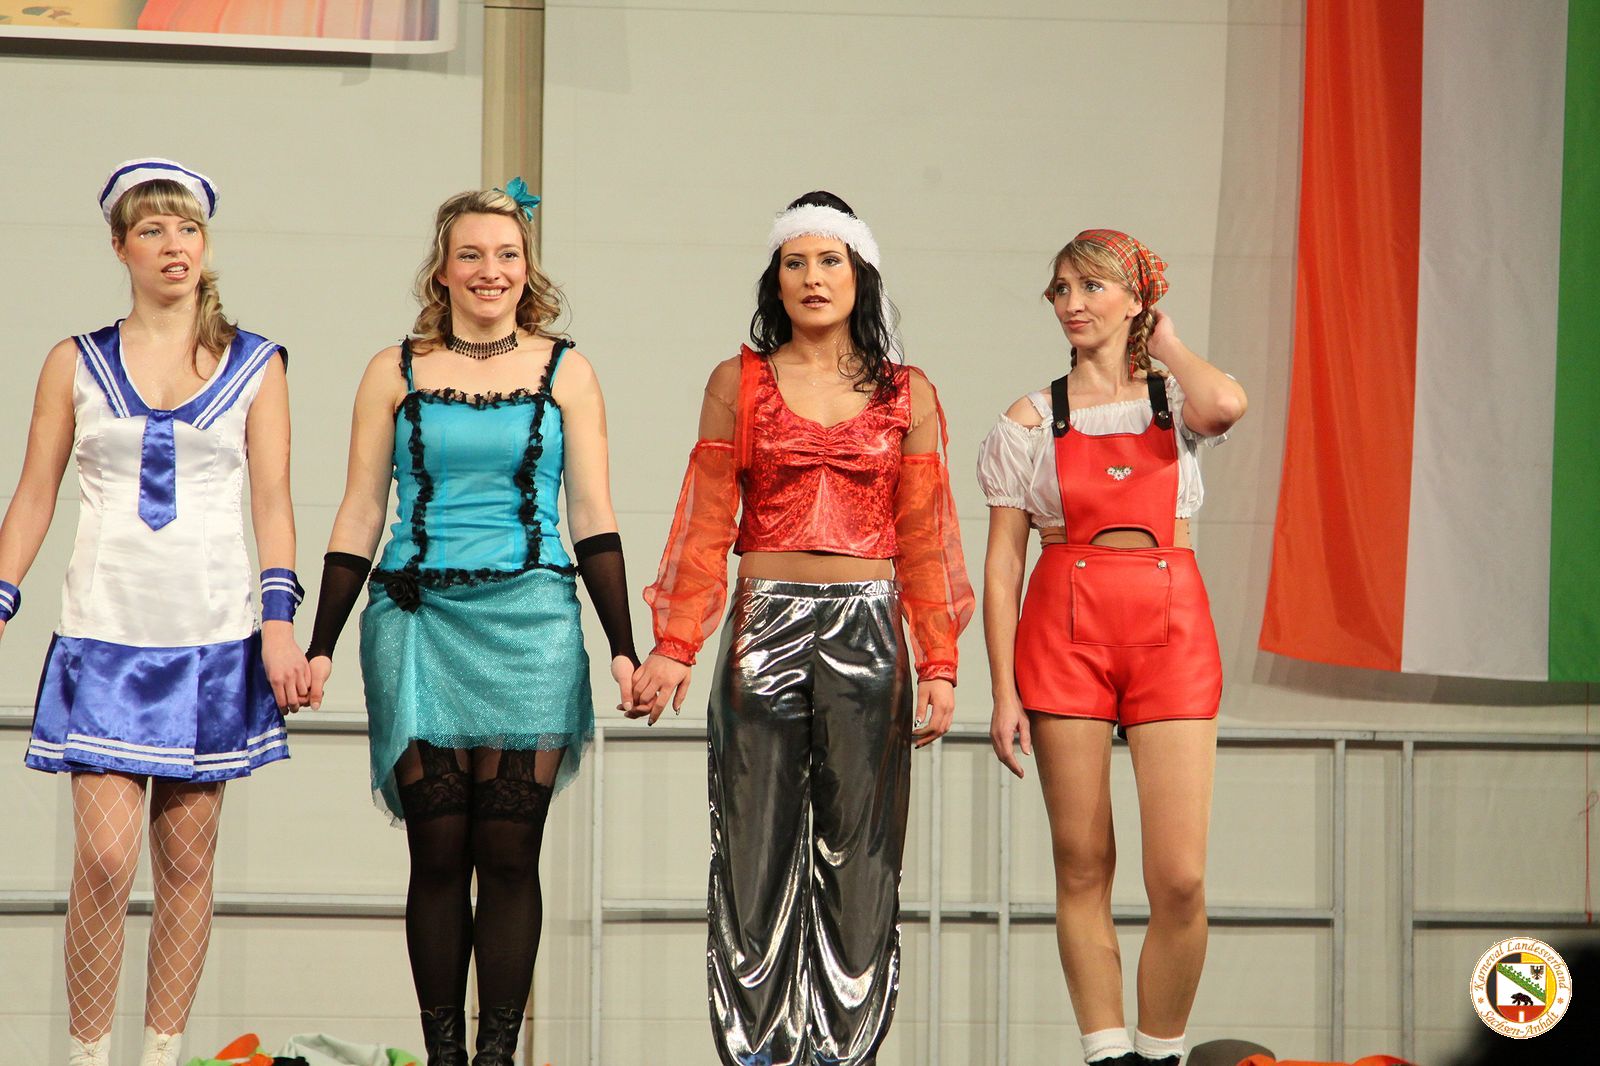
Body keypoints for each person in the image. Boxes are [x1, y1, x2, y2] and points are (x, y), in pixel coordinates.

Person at [632, 191, 974, 1066]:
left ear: (860, 276)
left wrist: (939, 659)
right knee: (752, 849)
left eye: (830, 261)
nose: (813, 278)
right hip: (765, 624)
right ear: (775, 280)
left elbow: (926, 533)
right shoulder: (738, 382)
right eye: (796, 262)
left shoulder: (907, 392)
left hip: (868, 628)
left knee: (863, 853)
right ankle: (756, 1053)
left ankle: (845, 1053)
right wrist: (675, 644)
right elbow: (705, 521)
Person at [304, 182, 637, 1066]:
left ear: (528, 269)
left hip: (532, 618)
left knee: (511, 852)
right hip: (418, 619)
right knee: (440, 850)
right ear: (442, 270)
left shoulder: (569, 372)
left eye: (507, 254)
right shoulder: (393, 370)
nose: (491, 270)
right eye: (472, 254)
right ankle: (444, 1056)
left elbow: (592, 514)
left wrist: (625, 649)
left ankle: (496, 1057)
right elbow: (360, 511)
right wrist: (318, 644)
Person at [0, 158, 307, 1066]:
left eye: (188, 229)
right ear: (119, 246)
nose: (174, 246)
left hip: (212, 637)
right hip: (105, 633)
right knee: (103, 859)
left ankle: (162, 1056)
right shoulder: (75, 361)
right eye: (152, 230)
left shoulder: (257, 362)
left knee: (187, 864)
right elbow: (34, 493)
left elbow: (275, 500)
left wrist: (280, 621)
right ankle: (87, 1055)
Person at [977, 229, 1247, 1066]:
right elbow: (1002, 567)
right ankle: (1107, 1052)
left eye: (1092, 286)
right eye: (1061, 289)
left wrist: (1165, 343)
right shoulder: (1030, 418)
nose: (1072, 303)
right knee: (1082, 861)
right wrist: (1003, 691)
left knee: (1180, 877)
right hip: (1064, 635)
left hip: (1172, 633)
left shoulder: (1177, 402)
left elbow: (1228, 404)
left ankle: (1162, 1052)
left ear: (1136, 299)